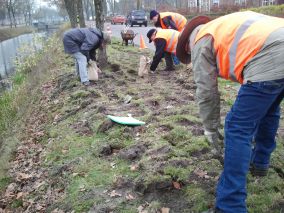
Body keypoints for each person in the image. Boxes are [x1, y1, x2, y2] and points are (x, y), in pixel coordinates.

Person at [175, 11, 284, 213]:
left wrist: (210, 128)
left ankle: (230, 205)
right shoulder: (221, 27)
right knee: (269, 109)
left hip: (271, 55)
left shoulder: (200, 41)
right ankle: (260, 163)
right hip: (276, 45)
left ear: (187, 46)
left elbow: (207, 92)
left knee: (237, 126)